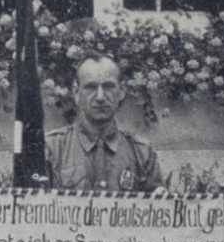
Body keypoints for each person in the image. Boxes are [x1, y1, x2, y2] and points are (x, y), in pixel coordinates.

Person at [46, 54, 162, 193]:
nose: (100, 97)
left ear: (121, 91)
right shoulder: (52, 149)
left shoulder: (142, 152)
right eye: (91, 87)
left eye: (108, 87)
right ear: (77, 93)